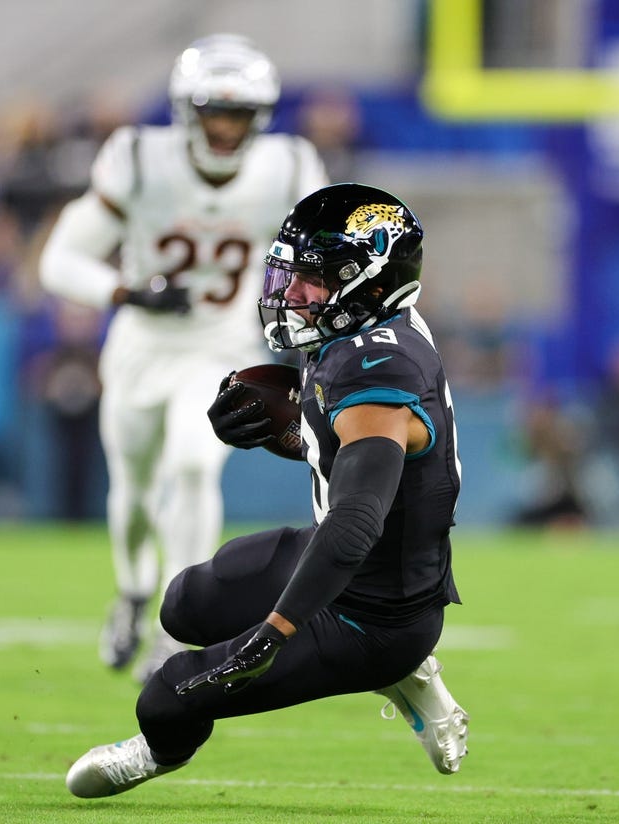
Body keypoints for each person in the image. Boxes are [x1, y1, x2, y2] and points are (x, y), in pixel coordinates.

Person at [64, 183, 470, 797]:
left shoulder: (379, 368)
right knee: (185, 604)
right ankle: (406, 674)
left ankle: (158, 753)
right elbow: (347, 461)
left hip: (378, 615)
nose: (293, 292)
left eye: (312, 277)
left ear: (369, 281)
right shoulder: (363, 328)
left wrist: (274, 633)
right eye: (291, 271)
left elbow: (357, 520)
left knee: (169, 697)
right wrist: (286, 433)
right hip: (351, 565)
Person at [39, 33, 329, 682]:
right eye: (214, 112)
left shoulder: (288, 168)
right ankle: (134, 592)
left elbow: (319, 266)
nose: (225, 128)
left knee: (195, 467)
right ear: (184, 111)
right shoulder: (141, 159)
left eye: (239, 114)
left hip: (221, 349)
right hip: (142, 349)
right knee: (136, 494)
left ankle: (179, 629)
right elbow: (59, 259)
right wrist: (126, 291)